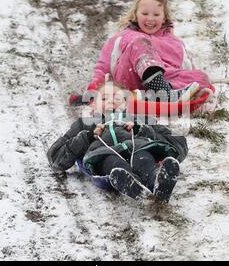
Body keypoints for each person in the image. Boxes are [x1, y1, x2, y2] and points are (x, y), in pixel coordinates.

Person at [48, 82, 188, 202]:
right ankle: (130, 183)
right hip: (104, 153)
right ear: (93, 106)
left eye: (116, 97)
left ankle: (158, 182)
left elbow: (177, 144)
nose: (110, 101)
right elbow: (55, 158)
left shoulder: (140, 118)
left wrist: (142, 130)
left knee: (143, 158)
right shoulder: (85, 124)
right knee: (114, 163)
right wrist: (89, 136)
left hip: (138, 148)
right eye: (103, 98)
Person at [70, 0, 214, 105]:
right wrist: (95, 89)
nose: (150, 18)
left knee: (201, 76)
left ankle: (157, 94)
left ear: (164, 18)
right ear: (135, 15)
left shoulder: (175, 43)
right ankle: (164, 93)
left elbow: (187, 69)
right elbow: (103, 66)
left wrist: (195, 80)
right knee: (140, 43)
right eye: (145, 14)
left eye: (156, 15)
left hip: (165, 80)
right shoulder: (125, 36)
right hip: (130, 79)